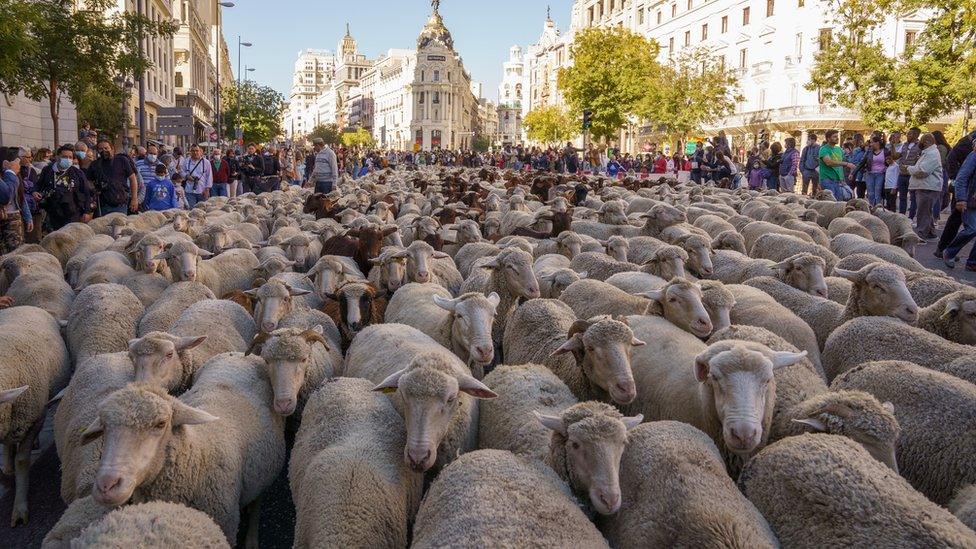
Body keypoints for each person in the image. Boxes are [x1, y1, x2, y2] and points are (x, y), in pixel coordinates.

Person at [935, 130, 976, 259]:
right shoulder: (967, 145)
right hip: (965, 190)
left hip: (967, 188)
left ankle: (971, 260)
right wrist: (955, 178)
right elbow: (951, 158)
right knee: (959, 222)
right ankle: (945, 249)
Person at [35, 144, 96, 230]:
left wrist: (87, 211)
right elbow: (38, 185)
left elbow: (86, 192)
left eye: (70, 157)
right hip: (53, 211)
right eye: (64, 157)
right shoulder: (48, 170)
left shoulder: (77, 173)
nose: (67, 159)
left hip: (73, 212)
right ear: (57, 157)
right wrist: (35, 192)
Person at [905, 133, 943, 240]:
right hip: (926, 186)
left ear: (926, 142)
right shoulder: (928, 153)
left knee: (923, 211)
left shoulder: (932, 154)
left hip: (928, 186)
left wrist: (909, 168)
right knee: (926, 210)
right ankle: (930, 232)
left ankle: (921, 234)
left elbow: (923, 170)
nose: (919, 144)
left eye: (921, 141)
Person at [88, 139, 139, 215]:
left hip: (120, 203)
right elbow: (88, 180)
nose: (104, 150)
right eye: (101, 149)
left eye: (106, 148)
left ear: (112, 149)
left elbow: (133, 179)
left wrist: (134, 198)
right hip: (103, 204)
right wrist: (94, 190)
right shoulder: (95, 164)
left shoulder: (122, 160)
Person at [0, 146, 33, 254]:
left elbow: (20, 196)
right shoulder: (10, 175)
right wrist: (10, 172)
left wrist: (28, 217)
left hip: (13, 218)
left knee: (16, 252)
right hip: (6, 217)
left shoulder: (15, 175)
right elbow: (6, 196)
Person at [818, 130, 855, 200]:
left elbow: (840, 167)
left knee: (839, 202)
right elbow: (829, 162)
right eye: (834, 137)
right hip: (827, 180)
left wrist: (842, 180)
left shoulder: (839, 149)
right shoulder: (823, 149)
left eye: (837, 136)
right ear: (828, 139)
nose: (837, 138)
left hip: (838, 181)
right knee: (830, 203)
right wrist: (846, 164)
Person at [854, 135, 888, 207]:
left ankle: (878, 208)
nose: (870, 144)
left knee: (878, 192)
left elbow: (889, 162)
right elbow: (862, 162)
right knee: (870, 193)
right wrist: (853, 173)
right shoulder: (869, 151)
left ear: (877, 143)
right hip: (869, 174)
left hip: (880, 174)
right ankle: (871, 207)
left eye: (872, 142)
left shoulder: (885, 151)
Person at [893, 127, 921, 215]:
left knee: (913, 197)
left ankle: (911, 217)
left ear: (916, 135)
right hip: (902, 174)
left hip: (912, 174)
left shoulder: (920, 146)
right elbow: (895, 156)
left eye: (910, 134)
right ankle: (902, 215)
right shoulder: (904, 145)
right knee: (902, 197)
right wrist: (893, 145)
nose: (907, 135)